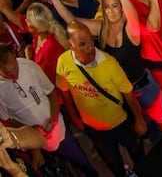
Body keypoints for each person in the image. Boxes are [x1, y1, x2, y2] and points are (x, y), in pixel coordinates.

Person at [46, 0, 162, 141]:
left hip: (144, 87)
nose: (111, 11)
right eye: (107, 7)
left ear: (121, 7)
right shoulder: (100, 28)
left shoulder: (130, 28)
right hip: (125, 95)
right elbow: (70, 20)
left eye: (115, 6)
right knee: (145, 131)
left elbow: (133, 16)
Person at [56, 21, 147, 177]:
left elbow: (128, 92)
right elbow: (64, 91)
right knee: (113, 163)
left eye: (91, 40)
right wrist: (75, 118)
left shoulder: (109, 62)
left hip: (121, 122)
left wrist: (138, 119)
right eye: (83, 44)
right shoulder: (63, 62)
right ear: (70, 45)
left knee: (138, 156)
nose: (90, 47)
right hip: (95, 129)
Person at [0, 43, 97, 176]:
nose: (14, 73)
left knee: (80, 161)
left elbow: (51, 92)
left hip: (58, 129)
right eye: (8, 73)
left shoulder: (29, 66)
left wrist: (54, 118)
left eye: (15, 68)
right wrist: (28, 129)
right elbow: (6, 118)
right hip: (38, 144)